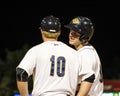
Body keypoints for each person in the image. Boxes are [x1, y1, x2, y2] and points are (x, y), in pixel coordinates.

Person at [16, 15, 95, 96]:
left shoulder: (36, 51)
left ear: (42, 31)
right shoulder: (74, 53)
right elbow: (90, 76)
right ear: (59, 32)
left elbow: (21, 73)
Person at [64, 16, 104, 96]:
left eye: (75, 33)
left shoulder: (85, 54)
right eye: (70, 32)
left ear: (84, 36)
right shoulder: (88, 50)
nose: (70, 35)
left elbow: (88, 79)